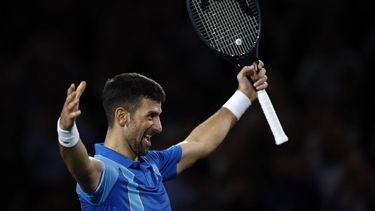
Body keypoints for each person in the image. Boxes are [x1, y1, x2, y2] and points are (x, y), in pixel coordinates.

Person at [57, 61, 268, 211]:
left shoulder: (154, 163)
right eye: (151, 116)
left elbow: (199, 142)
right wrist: (66, 131)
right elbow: (80, 166)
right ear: (122, 116)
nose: (159, 127)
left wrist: (243, 96)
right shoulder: (106, 173)